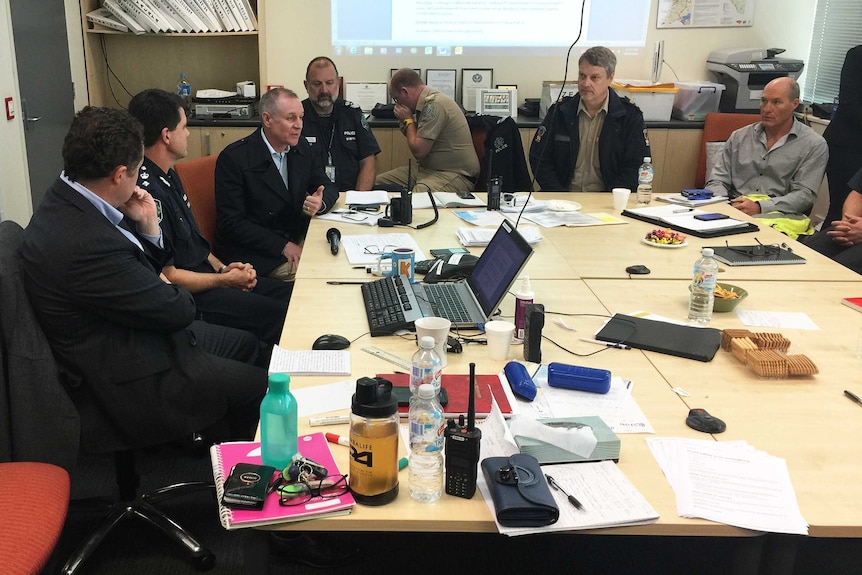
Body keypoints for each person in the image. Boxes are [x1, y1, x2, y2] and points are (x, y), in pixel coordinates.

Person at [20, 106, 267, 446]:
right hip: (130, 373)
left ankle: (214, 434)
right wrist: (166, 281)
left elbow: (150, 283)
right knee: (264, 388)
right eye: (137, 174)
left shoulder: (68, 195)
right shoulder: (86, 242)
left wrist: (149, 229)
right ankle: (237, 474)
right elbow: (178, 309)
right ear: (120, 175)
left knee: (248, 344)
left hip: (132, 331)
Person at [128, 88, 292, 345]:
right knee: (282, 316)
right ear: (166, 136)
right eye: (184, 127)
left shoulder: (168, 174)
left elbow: (194, 244)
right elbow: (169, 275)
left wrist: (223, 267)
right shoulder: (148, 193)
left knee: (294, 295)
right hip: (195, 295)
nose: (189, 133)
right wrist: (223, 280)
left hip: (210, 276)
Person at [214, 87, 339, 281]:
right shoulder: (235, 158)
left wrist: (320, 202)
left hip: (293, 235)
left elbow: (327, 186)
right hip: (257, 252)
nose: (299, 125)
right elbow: (232, 223)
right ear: (267, 119)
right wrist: (281, 245)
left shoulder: (301, 147)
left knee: (337, 257)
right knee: (319, 274)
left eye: (301, 117)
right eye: (291, 118)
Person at [705, 77, 828, 238]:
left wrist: (760, 207)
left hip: (778, 218)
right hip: (731, 210)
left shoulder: (813, 144)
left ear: (795, 104)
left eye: (776, 102)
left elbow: (804, 196)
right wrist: (723, 205)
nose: (767, 108)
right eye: (764, 101)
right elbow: (717, 179)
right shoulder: (740, 136)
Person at [529, 46, 649, 192]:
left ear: (610, 78)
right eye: (582, 76)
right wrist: (558, 194)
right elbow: (539, 158)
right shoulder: (560, 111)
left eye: (594, 77)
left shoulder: (629, 117)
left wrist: (613, 198)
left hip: (609, 200)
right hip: (561, 198)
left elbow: (635, 166)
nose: (586, 84)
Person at [375, 68, 480, 196]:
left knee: (418, 198)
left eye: (396, 99)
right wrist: (406, 123)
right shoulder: (424, 105)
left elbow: (419, 151)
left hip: (454, 174)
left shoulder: (434, 105)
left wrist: (408, 120)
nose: (397, 104)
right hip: (428, 170)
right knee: (376, 183)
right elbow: (415, 139)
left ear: (405, 92)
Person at [301, 56, 381, 191]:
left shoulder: (352, 113)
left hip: (350, 194)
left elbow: (368, 160)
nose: (324, 90)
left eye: (329, 82)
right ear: (306, 85)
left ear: (338, 83)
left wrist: (358, 200)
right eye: (317, 84)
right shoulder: (297, 115)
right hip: (311, 199)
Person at [822, 45, 862, 225]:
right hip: (848, 146)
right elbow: (850, 104)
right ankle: (820, 251)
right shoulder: (857, 55)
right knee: (841, 212)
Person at [804, 166, 862, 274]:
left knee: (838, 269)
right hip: (857, 225)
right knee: (805, 253)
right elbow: (858, 194)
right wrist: (847, 224)